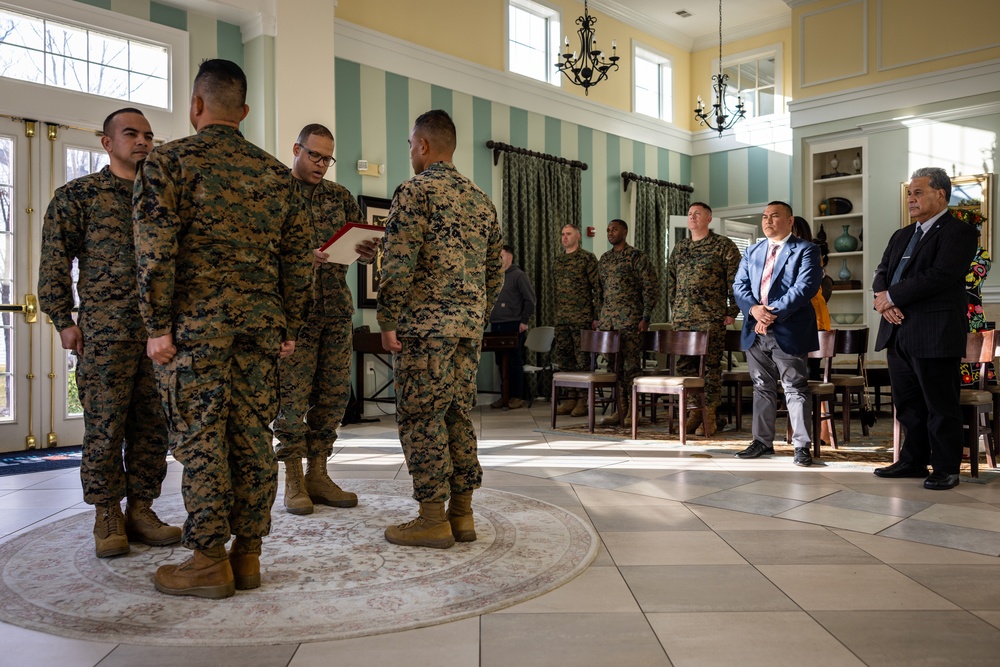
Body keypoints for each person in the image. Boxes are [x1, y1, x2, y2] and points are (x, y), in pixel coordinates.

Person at [134, 59, 313, 598]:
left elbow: (154, 253)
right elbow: (298, 260)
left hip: (196, 332)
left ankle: (208, 560)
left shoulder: (169, 163)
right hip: (259, 331)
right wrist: (289, 324)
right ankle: (248, 555)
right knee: (253, 438)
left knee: (203, 441)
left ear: (195, 105)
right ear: (245, 111)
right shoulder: (275, 175)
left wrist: (156, 327)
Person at [38, 108, 180, 560]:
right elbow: (54, 264)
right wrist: (63, 320)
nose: (142, 142)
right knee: (104, 428)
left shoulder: (164, 197)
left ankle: (142, 509)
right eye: (131, 134)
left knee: (152, 427)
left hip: (159, 335)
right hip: (105, 334)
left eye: (149, 135)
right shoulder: (78, 197)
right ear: (106, 142)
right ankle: (106, 515)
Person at [377, 109, 503, 548]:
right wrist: (474, 317)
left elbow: (398, 263)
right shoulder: (481, 200)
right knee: (456, 415)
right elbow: (494, 273)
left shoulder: (415, 191)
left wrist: (387, 318)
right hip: (467, 330)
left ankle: (432, 519)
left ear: (424, 145)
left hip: (424, 328)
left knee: (421, 417)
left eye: (411, 145)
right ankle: (462, 515)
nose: (410, 152)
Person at [272, 123, 365, 515]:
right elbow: (259, 251)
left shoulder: (340, 196)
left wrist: (367, 248)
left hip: (335, 311)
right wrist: (299, 255)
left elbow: (360, 243)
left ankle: (319, 473)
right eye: (315, 156)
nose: (322, 164)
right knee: (291, 400)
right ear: (297, 148)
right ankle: (293, 479)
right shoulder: (274, 192)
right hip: (294, 316)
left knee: (333, 395)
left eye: (328, 158)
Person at [872, 167, 978, 490]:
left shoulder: (960, 232)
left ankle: (947, 468)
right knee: (907, 404)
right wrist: (882, 297)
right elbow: (882, 271)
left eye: (918, 193)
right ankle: (913, 460)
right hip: (898, 331)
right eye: (909, 194)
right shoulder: (901, 235)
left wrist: (891, 296)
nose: (911, 199)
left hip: (935, 332)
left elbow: (940, 276)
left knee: (940, 404)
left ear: (940, 195)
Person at [732, 201, 821, 467]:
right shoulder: (752, 251)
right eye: (765, 217)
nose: (768, 221)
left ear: (790, 220)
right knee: (761, 388)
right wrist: (754, 311)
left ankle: (801, 446)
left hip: (788, 329)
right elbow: (739, 285)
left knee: (795, 388)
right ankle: (762, 442)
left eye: (775, 216)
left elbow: (804, 287)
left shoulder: (807, 250)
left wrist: (770, 314)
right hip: (754, 330)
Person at [667, 202, 741, 437]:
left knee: (708, 369)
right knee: (685, 368)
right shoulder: (680, 248)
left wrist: (732, 311)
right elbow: (672, 282)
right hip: (683, 320)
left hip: (710, 319)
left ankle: (708, 415)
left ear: (709, 218)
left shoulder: (723, 246)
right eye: (689, 214)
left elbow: (737, 282)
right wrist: (676, 309)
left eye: (697, 213)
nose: (692, 217)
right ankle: (693, 413)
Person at [597, 219, 659, 427]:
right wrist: (600, 317)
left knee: (631, 368)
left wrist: (645, 317)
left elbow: (650, 288)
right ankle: (620, 409)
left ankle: (634, 411)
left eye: (614, 229)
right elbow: (600, 291)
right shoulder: (604, 259)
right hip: (609, 323)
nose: (610, 232)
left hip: (631, 321)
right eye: (608, 230)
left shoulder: (637, 257)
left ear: (625, 231)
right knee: (614, 369)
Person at [792, 215, 834, 446]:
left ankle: (823, 432)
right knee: (797, 382)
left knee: (811, 378)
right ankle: (802, 431)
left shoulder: (810, 255)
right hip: (796, 327)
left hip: (814, 328)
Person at [553, 224, 602, 417]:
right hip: (562, 319)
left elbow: (597, 288)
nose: (565, 237)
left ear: (578, 236)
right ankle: (571, 397)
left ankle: (583, 400)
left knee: (582, 361)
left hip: (582, 318)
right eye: (563, 234)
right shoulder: (558, 261)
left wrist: (596, 316)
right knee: (565, 361)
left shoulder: (587, 258)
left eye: (569, 234)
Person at [488, 245, 536, 410]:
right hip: (496, 325)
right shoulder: (495, 277)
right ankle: (505, 396)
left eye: (501, 256)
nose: (498, 259)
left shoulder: (518, 275)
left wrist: (524, 320)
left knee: (514, 361)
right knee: (501, 363)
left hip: (513, 324)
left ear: (509, 258)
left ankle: (517, 396)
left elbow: (530, 300)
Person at [960, 244, 993, 387]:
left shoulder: (980, 253)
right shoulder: (941, 250)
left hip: (972, 317)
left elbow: (969, 281)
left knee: (973, 375)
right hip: (943, 317)